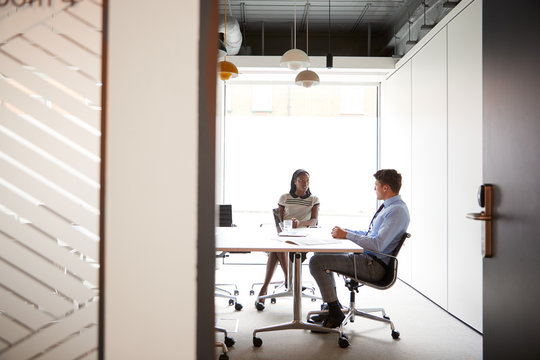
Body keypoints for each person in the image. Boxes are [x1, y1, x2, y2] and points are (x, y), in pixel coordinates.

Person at [309, 169, 410, 328]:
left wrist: (347, 236)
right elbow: (371, 235)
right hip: (368, 259)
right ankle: (331, 306)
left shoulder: (396, 211)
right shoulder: (390, 207)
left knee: (316, 262)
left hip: (373, 266)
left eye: (376, 185)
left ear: (386, 188)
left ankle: (335, 314)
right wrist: (347, 232)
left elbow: (377, 244)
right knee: (321, 252)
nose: (373, 188)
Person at [256, 169, 320, 307]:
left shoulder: (313, 199)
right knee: (279, 246)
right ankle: (288, 280)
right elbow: (278, 219)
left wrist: (300, 223)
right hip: (285, 232)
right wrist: (282, 231)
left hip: (304, 235)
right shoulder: (284, 197)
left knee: (277, 249)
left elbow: (314, 221)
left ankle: (267, 287)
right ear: (294, 181)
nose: (305, 183)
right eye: (301, 180)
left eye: (307, 180)